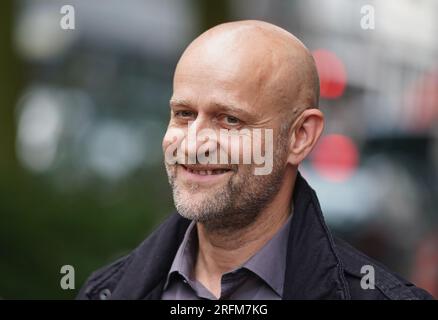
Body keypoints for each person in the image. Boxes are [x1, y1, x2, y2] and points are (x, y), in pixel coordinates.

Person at [77, 20, 433, 300]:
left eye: (230, 119)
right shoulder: (107, 291)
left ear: (300, 137)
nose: (194, 143)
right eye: (184, 114)